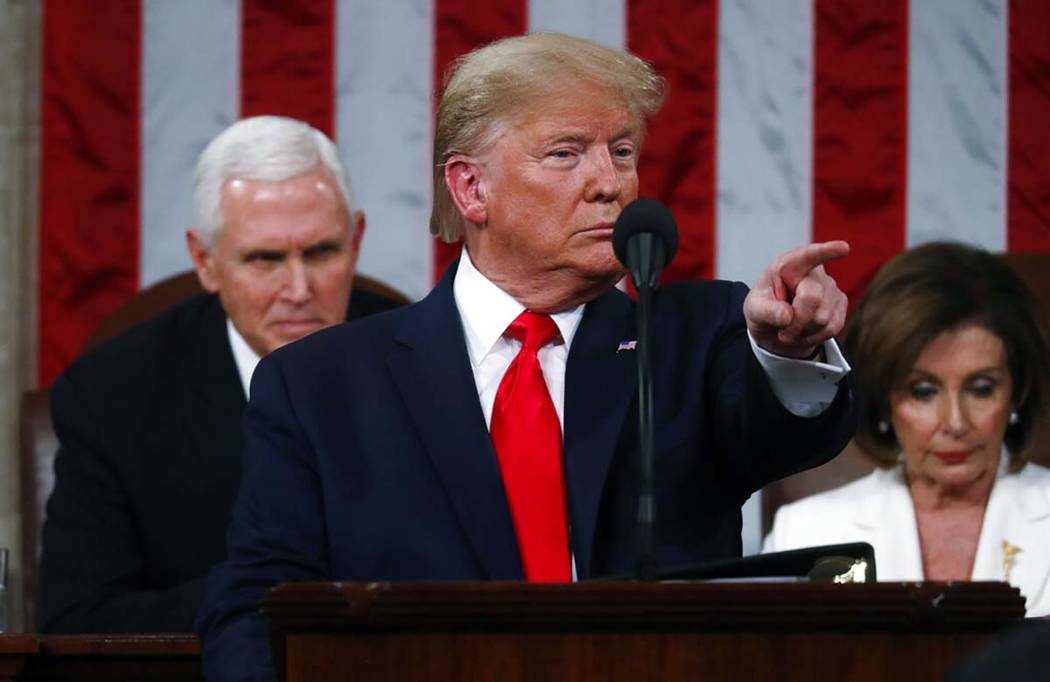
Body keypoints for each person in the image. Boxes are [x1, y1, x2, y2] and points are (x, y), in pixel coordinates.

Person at [197, 33, 856, 680]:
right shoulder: (321, 386)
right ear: (471, 189)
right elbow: (256, 605)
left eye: (621, 151)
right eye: (566, 154)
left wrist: (787, 350)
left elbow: (782, 435)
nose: (610, 183)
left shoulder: (694, 337)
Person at [38, 115, 402, 633]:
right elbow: (76, 621)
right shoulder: (111, 396)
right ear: (204, 261)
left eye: (321, 252)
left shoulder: (420, 356)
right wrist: (274, 593)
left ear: (356, 240)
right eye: (265, 259)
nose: (298, 289)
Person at [764, 242, 1050, 616]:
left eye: (981, 389)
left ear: (1017, 393)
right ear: (885, 400)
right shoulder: (804, 535)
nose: (955, 423)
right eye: (923, 391)